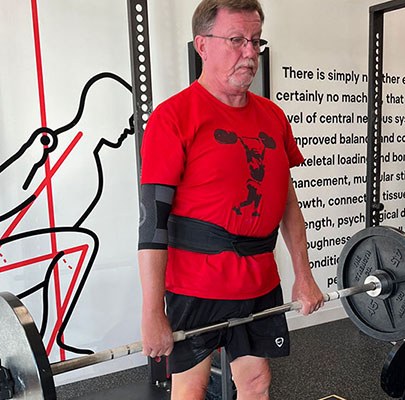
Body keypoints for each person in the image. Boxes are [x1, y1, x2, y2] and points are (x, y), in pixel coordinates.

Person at [137, 1, 324, 398]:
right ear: (202, 45)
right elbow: (152, 223)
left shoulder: (273, 116)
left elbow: (287, 204)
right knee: (192, 387)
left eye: (255, 41)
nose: (250, 53)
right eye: (236, 40)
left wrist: (303, 275)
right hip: (195, 285)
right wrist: (153, 310)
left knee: (257, 382)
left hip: (258, 280)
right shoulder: (172, 118)